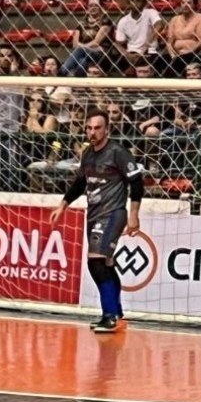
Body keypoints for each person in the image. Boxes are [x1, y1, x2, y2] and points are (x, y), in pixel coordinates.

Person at [53, 109, 143, 334]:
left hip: (112, 213)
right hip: (93, 214)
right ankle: (116, 314)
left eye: (97, 128)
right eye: (89, 128)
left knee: (96, 262)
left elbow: (137, 181)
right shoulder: (88, 153)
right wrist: (63, 204)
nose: (92, 132)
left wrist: (134, 214)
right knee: (105, 263)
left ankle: (110, 315)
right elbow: (80, 182)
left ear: (107, 130)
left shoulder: (117, 152)